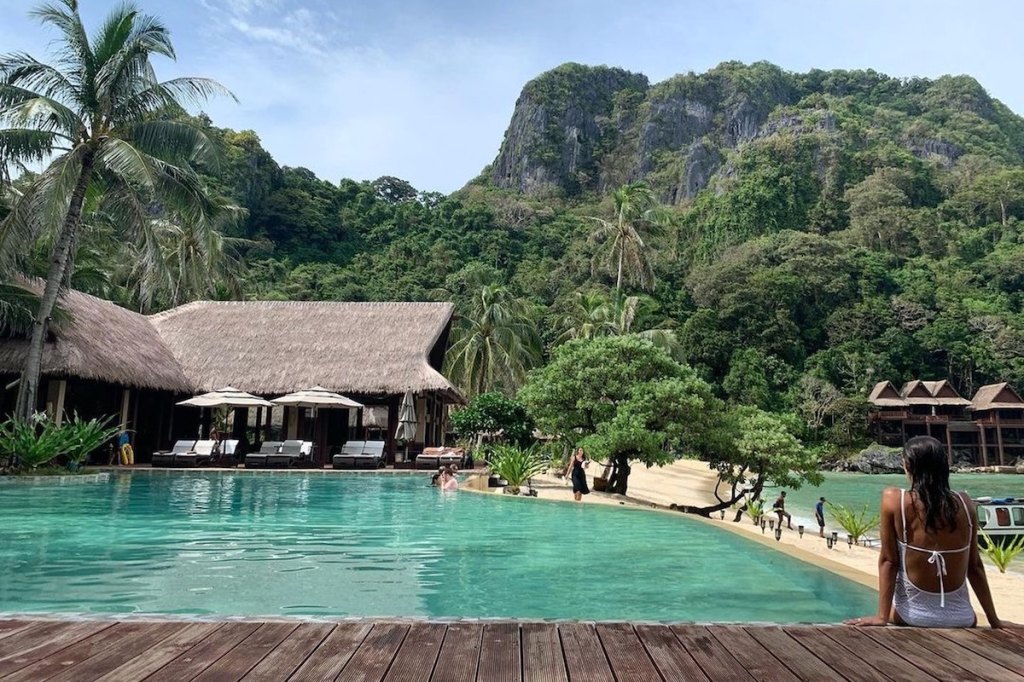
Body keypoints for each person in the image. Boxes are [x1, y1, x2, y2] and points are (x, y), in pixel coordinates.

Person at [846, 435, 1018, 629]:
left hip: (913, 616)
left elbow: (889, 561)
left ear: (908, 465)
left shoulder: (895, 500)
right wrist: (994, 620)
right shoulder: (965, 503)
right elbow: (975, 566)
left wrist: (881, 616)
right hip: (963, 617)